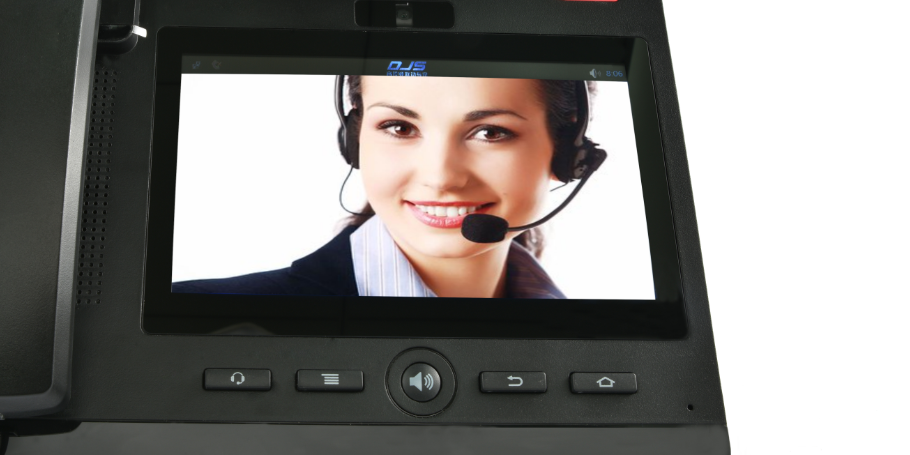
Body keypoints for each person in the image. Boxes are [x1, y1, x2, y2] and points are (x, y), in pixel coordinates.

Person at [172, 74, 599, 299]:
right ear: (354, 140)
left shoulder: (595, 346)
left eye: (490, 132)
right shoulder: (201, 316)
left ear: (567, 152)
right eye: (399, 127)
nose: (440, 176)